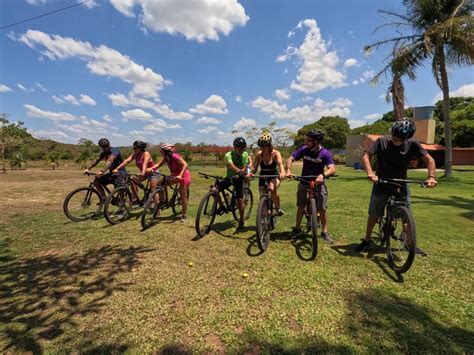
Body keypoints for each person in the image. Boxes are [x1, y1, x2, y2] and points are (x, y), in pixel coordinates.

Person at [355, 117, 437, 252]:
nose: (395, 140)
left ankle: (409, 243)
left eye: (399, 139)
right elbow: (366, 156)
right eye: (394, 137)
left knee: (406, 215)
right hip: (381, 183)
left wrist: (431, 177)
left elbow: (429, 159)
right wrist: (371, 173)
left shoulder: (413, 144)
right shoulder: (382, 141)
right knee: (374, 213)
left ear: (406, 138)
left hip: (401, 184)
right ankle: (367, 240)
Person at [286, 130, 336, 243]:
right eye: (305, 139)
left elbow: (332, 168)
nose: (305, 142)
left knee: (322, 208)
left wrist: (323, 175)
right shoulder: (304, 149)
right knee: (300, 206)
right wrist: (288, 170)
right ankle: (297, 228)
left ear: (316, 141)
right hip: (304, 181)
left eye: (308, 140)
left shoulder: (325, 153)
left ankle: (324, 231)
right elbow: (290, 158)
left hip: (319, 183)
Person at [215, 137, 253, 231]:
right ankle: (221, 206)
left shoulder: (245, 154)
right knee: (214, 190)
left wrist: (241, 172)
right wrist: (238, 171)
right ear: (235, 147)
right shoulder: (229, 154)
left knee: (240, 200)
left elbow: (245, 165)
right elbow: (230, 165)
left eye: (243, 148)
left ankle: (241, 220)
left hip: (239, 179)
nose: (241, 150)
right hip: (230, 178)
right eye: (239, 148)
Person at [147, 143, 191, 222]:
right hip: (174, 175)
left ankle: (184, 215)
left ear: (166, 151)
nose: (161, 153)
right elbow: (158, 164)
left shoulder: (174, 156)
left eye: (161, 151)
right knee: (160, 184)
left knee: (183, 195)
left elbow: (185, 164)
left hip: (183, 175)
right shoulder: (166, 158)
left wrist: (180, 176)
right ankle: (163, 201)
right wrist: (151, 169)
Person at [249, 132, 286, 216]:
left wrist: (282, 172)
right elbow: (255, 167)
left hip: (274, 175)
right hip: (263, 175)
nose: (262, 148)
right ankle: (264, 212)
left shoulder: (275, 153)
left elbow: (280, 164)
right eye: (261, 146)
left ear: (269, 145)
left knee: (271, 188)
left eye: (264, 146)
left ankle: (277, 208)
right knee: (262, 194)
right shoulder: (259, 154)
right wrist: (251, 173)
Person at [112, 140, 159, 204]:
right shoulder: (135, 154)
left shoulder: (146, 153)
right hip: (144, 172)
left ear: (141, 148)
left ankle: (157, 209)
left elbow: (145, 163)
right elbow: (126, 161)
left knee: (153, 190)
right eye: (133, 148)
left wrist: (143, 171)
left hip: (153, 173)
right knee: (132, 181)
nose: (134, 149)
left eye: (135, 148)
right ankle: (136, 197)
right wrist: (117, 169)